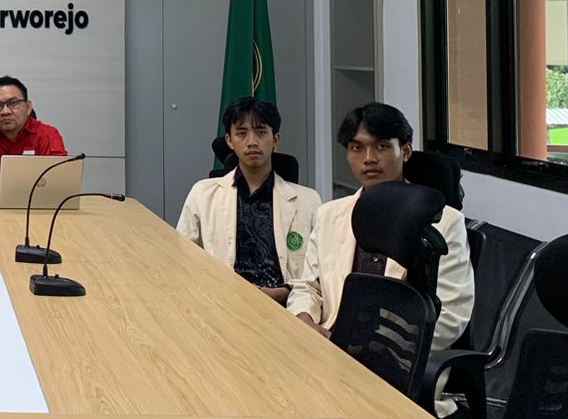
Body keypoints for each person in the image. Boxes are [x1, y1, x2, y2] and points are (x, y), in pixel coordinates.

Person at [288, 103, 474, 346]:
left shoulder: (445, 222)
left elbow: (450, 315)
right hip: (327, 344)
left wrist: (375, 348)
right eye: (357, 148)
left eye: (382, 146)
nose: (369, 159)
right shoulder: (329, 215)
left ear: (405, 151)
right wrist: (304, 319)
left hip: (396, 356)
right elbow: (308, 287)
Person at [176, 97, 321, 303]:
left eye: (261, 132)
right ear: (229, 141)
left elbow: (319, 272)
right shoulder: (202, 194)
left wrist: (285, 293)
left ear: (275, 139)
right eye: (242, 133)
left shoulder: (308, 201)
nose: (252, 142)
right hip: (222, 303)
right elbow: (183, 262)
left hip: (286, 305)